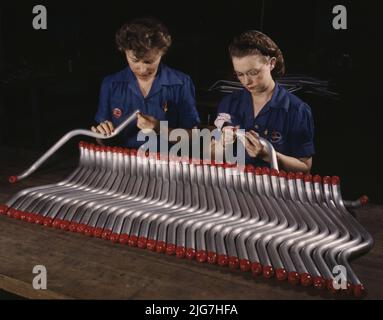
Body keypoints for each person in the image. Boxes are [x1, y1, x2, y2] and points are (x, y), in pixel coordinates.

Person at [212, 30, 315, 173]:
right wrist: (222, 143)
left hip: (274, 191)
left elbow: (305, 167)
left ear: (272, 63)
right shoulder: (229, 103)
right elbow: (212, 152)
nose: (247, 81)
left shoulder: (296, 110)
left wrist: (270, 155)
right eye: (240, 74)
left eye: (253, 72)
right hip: (232, 187)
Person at [91, 17, 200, 150]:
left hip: (168, 164)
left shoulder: (182, 83)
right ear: (124, 51)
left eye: (149, 61)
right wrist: (101, 136)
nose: (142, 69)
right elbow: (101, 141)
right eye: (134, 60)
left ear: (162, 53)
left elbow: (194, 137)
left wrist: (160, 128)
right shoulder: (111, 84)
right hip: (123, 163)